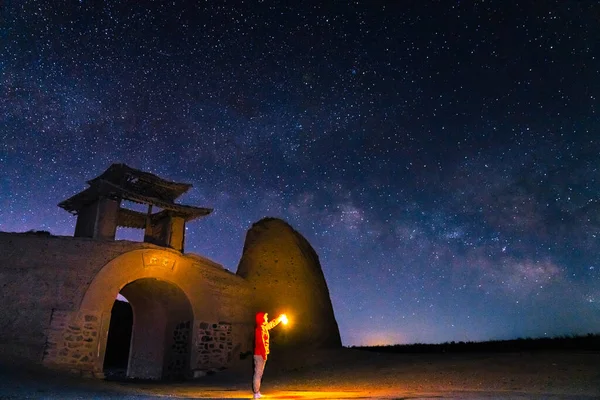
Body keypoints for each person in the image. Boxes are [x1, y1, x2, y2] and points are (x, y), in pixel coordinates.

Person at [252, 311, 285, 399]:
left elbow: (271, 324)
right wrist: (264, 354)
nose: (267, 318)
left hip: (261, 354)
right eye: (266, 317)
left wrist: (279, 318)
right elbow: (260, 343)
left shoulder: (264, 327)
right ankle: (255, 393)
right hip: (259, 355)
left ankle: (257, 392)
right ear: (262, 319)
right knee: (258, 374)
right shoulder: (259, 329)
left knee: (260, 373)